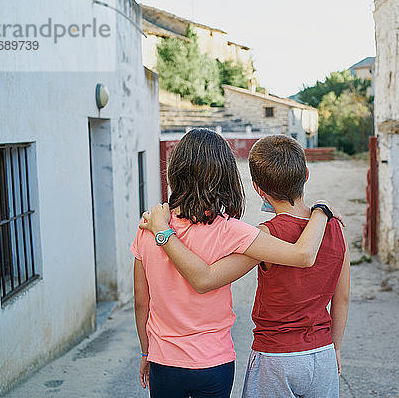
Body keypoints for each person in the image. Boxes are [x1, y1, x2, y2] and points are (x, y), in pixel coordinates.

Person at [132, 129, 336, 398]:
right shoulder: (232, 231)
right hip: (214, 361)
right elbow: (302, 255)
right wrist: (321, 210)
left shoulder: (148, 226)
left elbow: (141, 302)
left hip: (164, 360)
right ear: (226, 175)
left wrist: (147, 351)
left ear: (175, 171)